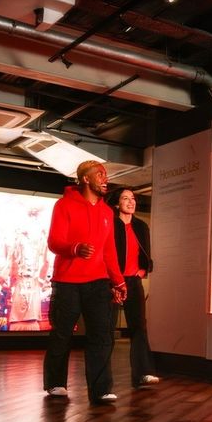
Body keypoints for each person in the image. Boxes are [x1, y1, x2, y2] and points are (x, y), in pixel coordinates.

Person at [44, 160, 127, 404]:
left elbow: (109, 251)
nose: (105, 178)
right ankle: (56, 383)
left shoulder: (107, 212)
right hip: (67, 281)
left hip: (98, 282)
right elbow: (53, 242)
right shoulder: (64, 205)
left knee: (102, 334)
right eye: (99, 174)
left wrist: (119, 282)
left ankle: (101, 389)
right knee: (62, 334)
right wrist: (75, 248)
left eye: (106, 175)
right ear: (86, 179)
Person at [110, 188, 161, 388]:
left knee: (139, 327)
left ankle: (143, 373)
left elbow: (146, 256)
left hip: (133, 281)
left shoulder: (141, 225)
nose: (131, 202)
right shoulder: (111, 224)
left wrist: (142, 271)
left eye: (133, 198)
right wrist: (113, 281)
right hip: (112, 281)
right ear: (116, 203)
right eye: (125, 198)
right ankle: (104, 380)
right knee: (106, 329)